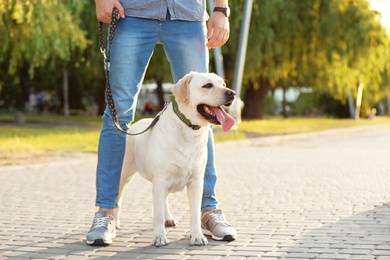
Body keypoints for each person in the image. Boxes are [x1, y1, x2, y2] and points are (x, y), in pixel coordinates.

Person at [87, 0, 236, 246]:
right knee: (118, 113)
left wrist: (220, 9)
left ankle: (208, 209)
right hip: (131, 11)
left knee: (204, 111)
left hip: (187, 13)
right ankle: (106, 213)